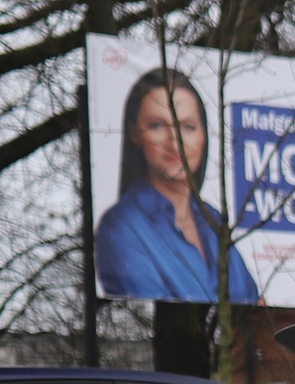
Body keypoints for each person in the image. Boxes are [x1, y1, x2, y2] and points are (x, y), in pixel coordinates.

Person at [95, 67, 262, 304]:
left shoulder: (214, 221)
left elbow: (256, 308)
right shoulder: (122, 226)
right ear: (135, 134)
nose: (176, 143)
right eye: (158, 125)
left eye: (188, 127)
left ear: (204, 135)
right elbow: (149, 314)